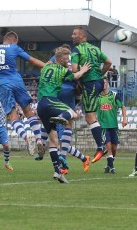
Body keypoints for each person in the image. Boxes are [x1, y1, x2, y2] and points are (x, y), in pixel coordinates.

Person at [0, 31, 45, 157]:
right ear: (13, 41)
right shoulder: (14, 47)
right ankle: (38, 139)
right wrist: (49, 67)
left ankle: (27, 140)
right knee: (28, 111)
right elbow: (32, 60)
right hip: (17, 81)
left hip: (2, 85)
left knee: (12, 116)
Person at [37, 46, 91, 183]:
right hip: (51, 101)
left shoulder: (45, 68)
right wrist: (83, 70)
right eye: (66, 60)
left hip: (40, 105)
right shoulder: (62, 70)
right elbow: (76, 76)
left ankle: (58, 172)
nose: (68, 63)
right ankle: (61, 117)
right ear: (60, 59)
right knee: (72, 113)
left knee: (53, 141)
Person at [70, 26, 113, 163]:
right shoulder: (95, 48)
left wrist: (81, 74)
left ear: (82, 36)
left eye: (74, 34)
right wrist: (100, 74)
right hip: (97, 82)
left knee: (90, 117)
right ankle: (101, 146)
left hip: (90, 83)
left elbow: (75, 71)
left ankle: (101, 147)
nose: (72, 36)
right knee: (90, 115)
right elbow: (108, 62)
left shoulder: (77, 50)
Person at [97, 76, 128, 174]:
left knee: (114, 148)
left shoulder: (114, 95)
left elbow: (122, 106)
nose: (103, 84)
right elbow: (92, 110)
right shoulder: (97, 97)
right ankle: (112, 167)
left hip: (114, 125)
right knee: (109, 146)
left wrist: (124, 119)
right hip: (103, 126)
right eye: (101, 83)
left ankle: (108, 164)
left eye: (104, 82)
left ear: (107, 84)